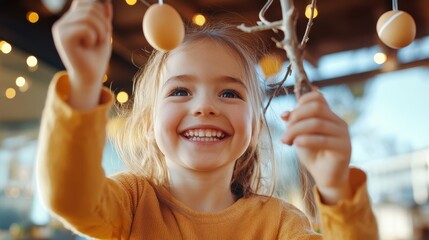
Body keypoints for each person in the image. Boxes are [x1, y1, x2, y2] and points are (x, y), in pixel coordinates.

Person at [36, 0, 378, 239]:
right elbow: (70, 200)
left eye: (229, 94)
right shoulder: (132, 203)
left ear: (255, 126)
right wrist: (82, 85)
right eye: (180, 92)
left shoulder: (278, 224)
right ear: (146, 125)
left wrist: (335, 187)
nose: (205, 107)